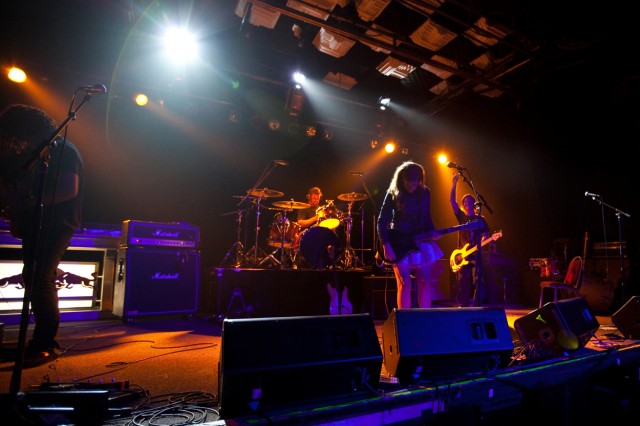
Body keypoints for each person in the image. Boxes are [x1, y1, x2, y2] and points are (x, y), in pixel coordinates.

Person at [0, 104, 83, 367]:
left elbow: (68, 189)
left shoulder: (64, 149)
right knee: (33, 276)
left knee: (40, 278)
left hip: (57, 223)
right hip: (38, 222)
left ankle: (47, 343)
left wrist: (25, 204)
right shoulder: (41, 152)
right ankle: (39, 341)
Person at [377, 161, 443, 309]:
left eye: (416, 181)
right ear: (402, 179)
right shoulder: (393, 193)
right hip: (399, 241)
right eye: (410, 181)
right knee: (404, 282)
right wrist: (386, 244)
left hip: (420, 239)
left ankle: (424, 318)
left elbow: (427, 217)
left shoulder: (425, 192)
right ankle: (404, 319)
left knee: (424, 281)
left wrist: (432, 231)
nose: (413, 185)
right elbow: (382, 220)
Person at [450, 173, 489, 307]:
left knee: (478, 280)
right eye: (465, 202)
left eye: (470, 201)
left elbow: (485, 234)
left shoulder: (480, 219)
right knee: (462, 281)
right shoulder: (461, 217)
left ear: (474, 204)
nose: (467, 203)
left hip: (476, 254)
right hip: (463, 254)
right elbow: (452, 202)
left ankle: (477, 306)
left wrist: (484, 240)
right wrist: (454, 184)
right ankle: (463, 306)